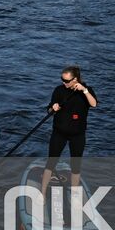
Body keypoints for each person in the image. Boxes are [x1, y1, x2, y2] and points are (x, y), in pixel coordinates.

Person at [40, 65, 99, 204]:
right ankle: (42, 193)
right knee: (51, 162)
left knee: (76, 165)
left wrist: (84, 91)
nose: (63, 83)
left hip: (77, 135)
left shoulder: (86, 91)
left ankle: (74, 195)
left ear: (75, 79)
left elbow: (94, 104)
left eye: (66, 80)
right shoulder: (59, 90)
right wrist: (52, 108)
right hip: (59, 133)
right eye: (62, 79)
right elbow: (49, 110)